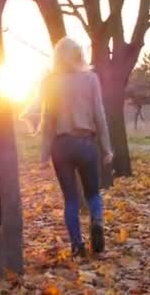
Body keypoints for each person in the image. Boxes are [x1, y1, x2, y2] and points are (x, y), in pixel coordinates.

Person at [40, 37, 113, 257]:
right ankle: (97, 220)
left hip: (61, 146)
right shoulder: (91, 79)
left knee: (70, 199)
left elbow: (47, 120)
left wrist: (43, 155)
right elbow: (99, 115)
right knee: (93, 193)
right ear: (79, 55)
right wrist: (107, 147)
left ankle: (76, 245)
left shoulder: (50, 82)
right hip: (86, 144)